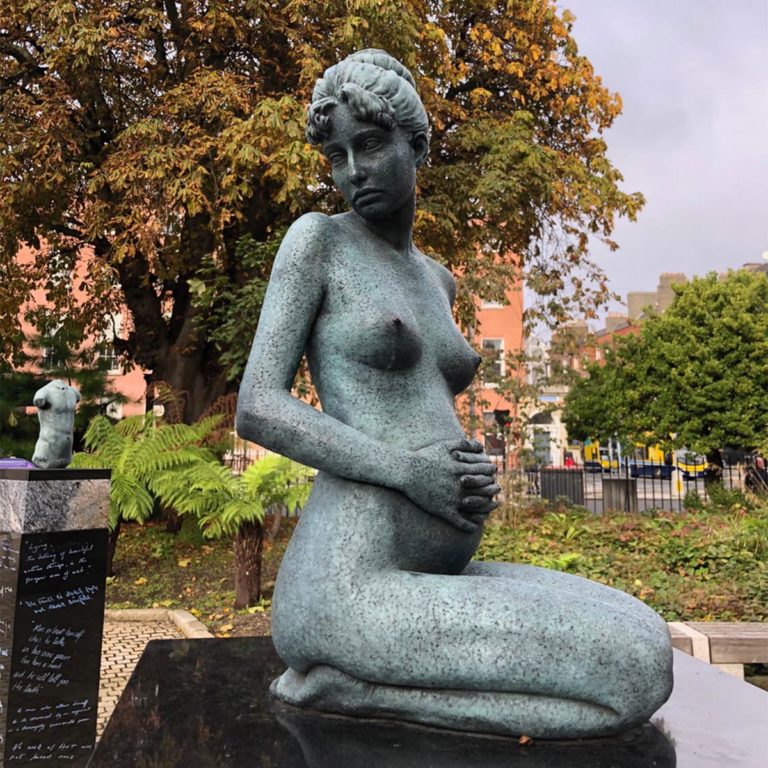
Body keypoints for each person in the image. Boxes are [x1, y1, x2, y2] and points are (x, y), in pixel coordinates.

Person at [237, 49, 672, 739]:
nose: (353, 171)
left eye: (372, 145)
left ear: (417, 145)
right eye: (338, 154)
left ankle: (358, 684)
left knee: (650, 633)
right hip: (349, 580)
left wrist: (463, 474)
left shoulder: (437, 281)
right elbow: (257, 404)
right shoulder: (317, 243)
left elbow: (419, 402)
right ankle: (342, 684)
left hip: (432, 575)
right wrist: (411, 472)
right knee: (633, 673)